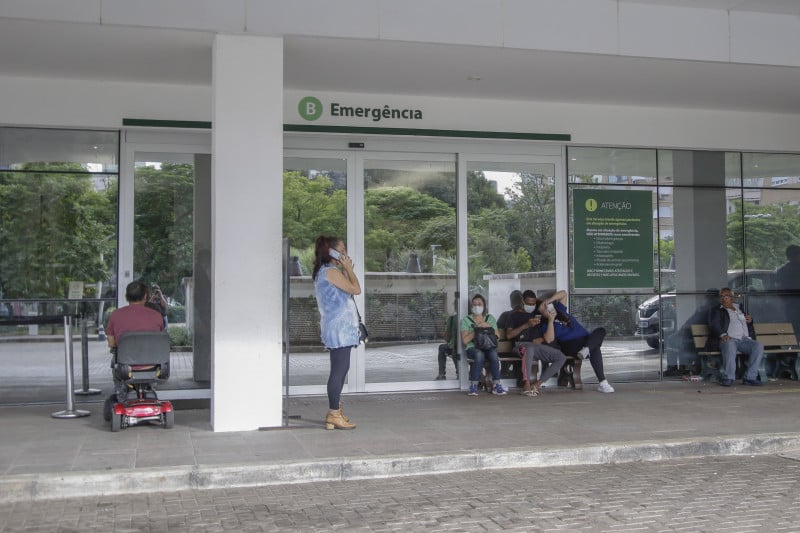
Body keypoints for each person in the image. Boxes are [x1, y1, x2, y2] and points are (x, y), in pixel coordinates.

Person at [313, 235, 362, 430]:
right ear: (330, 251)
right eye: (341, 250)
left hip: (340, 327)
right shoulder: (330, 272)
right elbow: (356, 289)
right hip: (339, 329)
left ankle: (335, 411)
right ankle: (334, 413)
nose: (345, 253)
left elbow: (348, 291)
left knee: (340, 370)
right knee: (339, 371)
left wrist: (345, 269)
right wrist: (349, 269)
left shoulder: (328, 271)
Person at [535, 290, 615, 393]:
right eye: (543, 309)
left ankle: (587, 349)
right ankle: (603, 382)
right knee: (595, 348)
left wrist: (548, 300)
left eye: (547, 306)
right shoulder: (546, 325)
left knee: (601, 330)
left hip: (585, 339)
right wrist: (551, 320)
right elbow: (549, 339)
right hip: (570, 344)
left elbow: (564, 293)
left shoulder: (561, 310)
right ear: (541, 313)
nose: (547, 308)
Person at [105, 281, 165, 405]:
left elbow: (111, 344)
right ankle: (149, 390)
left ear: (127, 297)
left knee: (115, 360)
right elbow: (160, 339)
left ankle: (121, 393)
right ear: (145, 296)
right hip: (152, 366)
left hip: (126, 368)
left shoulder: (115, 315)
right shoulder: (157, 315)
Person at [505, 290, 566, 396]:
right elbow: (509, 335)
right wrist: (526, 325)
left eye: (533, 304)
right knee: (529, 348)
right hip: (520, 345)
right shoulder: (513, 315)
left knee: (561, 357)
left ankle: (537, 384)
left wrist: (541, 339)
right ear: (522, 301)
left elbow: (563, 294)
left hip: (537, 346)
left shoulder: (537, 313)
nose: (531, 306)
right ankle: (527, 384)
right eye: (529, 304)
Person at [706, 287, 764, 387]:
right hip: (729, 339)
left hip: (744, 340)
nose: (724, 298)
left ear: (732, 298)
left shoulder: (740, 308)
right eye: (722, 296)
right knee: (730, 344)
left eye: (726, 296)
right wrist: (723, 335)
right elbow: (714, 325)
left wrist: (750, 321)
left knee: (758, 346)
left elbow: (747, 324)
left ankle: (750, 377)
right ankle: (728, 377)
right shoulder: (717, 310)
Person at [663, 289, 718, 377]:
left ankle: (676, 368)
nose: (706, 298)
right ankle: (676, 368)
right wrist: (680, 332)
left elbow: (692, 323)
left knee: (676, 341)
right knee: (673, 339)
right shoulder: (703, 308)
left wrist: (681, 332)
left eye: (707, 296)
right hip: (693, 337)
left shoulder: (711, 309)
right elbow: (690, 321)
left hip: (700, 340)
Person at [461, 294, 507, 396]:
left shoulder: (490, 318)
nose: (476, 306)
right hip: (473, 348)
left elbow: (498, 336)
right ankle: (473, 385)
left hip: (489, 346)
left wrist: (488, 326)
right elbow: (465, 341)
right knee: (479, 354)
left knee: (494, 355)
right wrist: (477, 329)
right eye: (474, 304)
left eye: (479, 304)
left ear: (484, 306)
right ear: (471, 306)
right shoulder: (466, 320)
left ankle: (496, 385)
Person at [777, 244, 800, 342]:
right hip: (793, 305)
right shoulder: (788, 270)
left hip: (789, 305)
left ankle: (792, 352)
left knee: (794, 330)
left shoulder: (782, 270)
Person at [435, 295, 460, 380]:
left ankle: (442, 374)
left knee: (444, 348)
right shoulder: (472, 317)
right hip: (467, 346)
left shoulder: (452, 318)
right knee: (448, 348)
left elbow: (447, 338)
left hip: (456, 347)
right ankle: (458, 373)